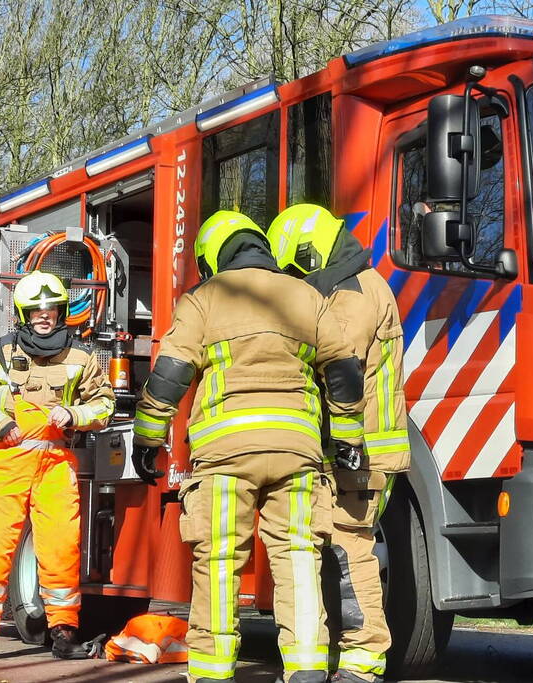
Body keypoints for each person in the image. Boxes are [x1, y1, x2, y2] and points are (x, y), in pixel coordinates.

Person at [130, 210, 366, 683]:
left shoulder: (205, 298)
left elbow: (171, 374)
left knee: (218, 562)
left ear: (214, 255)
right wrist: (347, 438)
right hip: (295, 451)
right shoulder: (307, 295)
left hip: (224, 454)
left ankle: (215, 672)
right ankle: (306, 668)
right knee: (298, 555)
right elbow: (343, 370)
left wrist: (148, 436)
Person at [268, 204, 410, 683]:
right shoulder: (361, 283)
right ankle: (346, 659)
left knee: (349, 552)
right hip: (362, 449)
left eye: (294, 267)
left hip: (357, 451)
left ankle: (362, 662)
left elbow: (339, 369)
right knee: (337, 550)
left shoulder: (351, 292)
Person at [0, 270, 114, 662]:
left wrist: (73, 414)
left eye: (52, 309)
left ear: (61, 312)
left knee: (62, 549)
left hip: (56, 463)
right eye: (37, 309)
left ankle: (63, 634)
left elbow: (105, 404)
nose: (45, 315)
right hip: (5, 459)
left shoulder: (82, 355)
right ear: (24, 313)